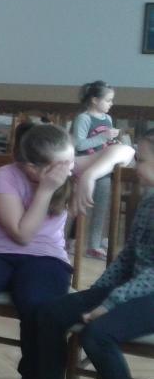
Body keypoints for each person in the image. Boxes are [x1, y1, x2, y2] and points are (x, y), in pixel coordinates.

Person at [0, 123, 134, 379]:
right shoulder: (7, 175)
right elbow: (22, 235)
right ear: (30, 167)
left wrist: (89, 174)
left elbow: (125, 150)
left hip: (47, 258)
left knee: (39, 310)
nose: (68, 169)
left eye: (70, 162)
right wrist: (45, 190)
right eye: (61, 165)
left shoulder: (65, 164)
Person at [34, 132, 146, 379]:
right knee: (49, 313)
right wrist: (98, 293)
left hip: (147, 296)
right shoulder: (149, 201)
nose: (136, 166)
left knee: (97, 335)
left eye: (142, 160)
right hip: (133, 290)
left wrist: (110, 302)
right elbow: (127, 257)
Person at [71, 80, 121, 260]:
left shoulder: (108, 119)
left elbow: (105, 142)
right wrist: (103, 137)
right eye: (108, 100)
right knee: (79, 206)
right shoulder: (84, 118)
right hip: (84, 166)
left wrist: (113, 142)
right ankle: (70, 240)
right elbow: (79, 144)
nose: (111, 104)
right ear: (94, 100)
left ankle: (94, 243)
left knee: (101, 206)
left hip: (102, 167)